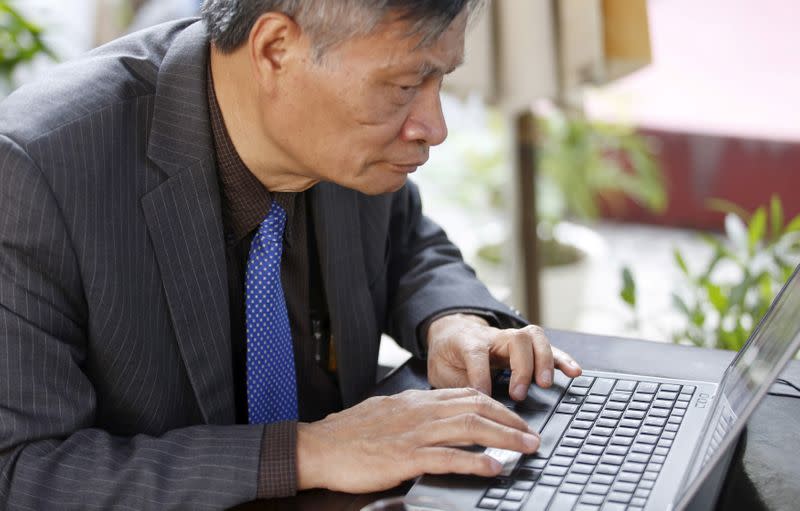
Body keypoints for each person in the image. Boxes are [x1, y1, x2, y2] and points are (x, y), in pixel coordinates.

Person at [0, 0, 582, 508]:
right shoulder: (35, 171)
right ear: (276, 48)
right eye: (405, 86)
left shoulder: (339, 142)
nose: (434, 126)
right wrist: (309, 451)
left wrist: (451, 320)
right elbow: (19, 472)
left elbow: (406, 240)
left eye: (441, 81)